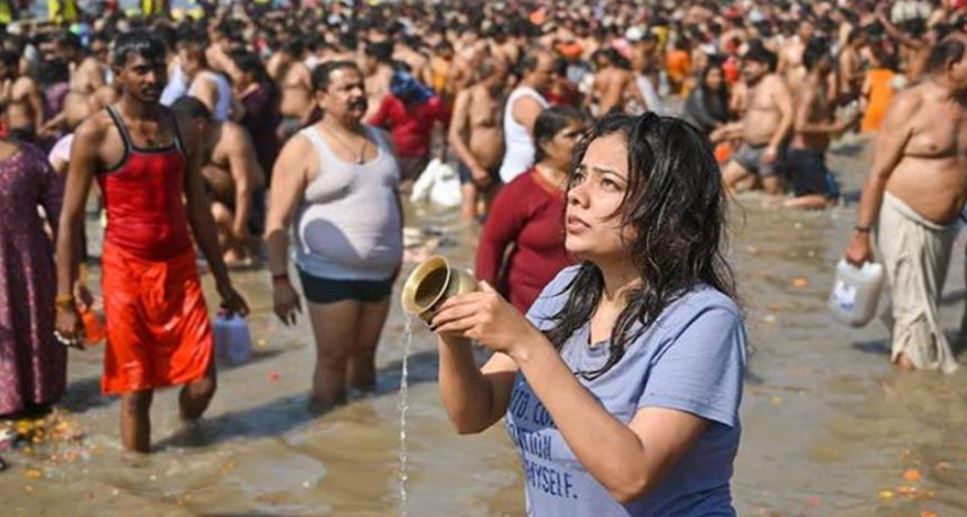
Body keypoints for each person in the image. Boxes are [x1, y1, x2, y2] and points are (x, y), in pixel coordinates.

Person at [432, 113, 746, 515]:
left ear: (667, 210)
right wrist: (452, 334)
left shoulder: (704, 320)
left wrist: (526, 343)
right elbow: (473, 414)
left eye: (608, 183)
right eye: (579, 176)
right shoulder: (566, 290)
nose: (577, 194)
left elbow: (632, 475)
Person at [53, 31, 249, 453]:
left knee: (203, 382)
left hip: (180, 269)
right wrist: (64, 300)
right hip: (125, 272)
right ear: (119, 73)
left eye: (158, 68)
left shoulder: (182, 127)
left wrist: (224, 281)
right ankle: (140, 479)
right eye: (141, 70)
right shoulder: (95, 133)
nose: (152, 78)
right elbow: (69, 220)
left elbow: (198, 209)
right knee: (136, 389)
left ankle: (187, 437)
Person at [266, 60, 402, 411]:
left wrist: (397, 254)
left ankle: (362, 429)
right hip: (329, 272)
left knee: (366, 357)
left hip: (380, 273)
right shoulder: (304, 147)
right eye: (346, 88)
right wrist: (280, 280)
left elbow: (392, 200)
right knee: (333, 359)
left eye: (360, 86)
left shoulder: (383, 140)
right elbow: (277, 219)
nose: (357, 94)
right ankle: (324, 427)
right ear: (321, 97)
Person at [845, 33, 967, 374]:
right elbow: (878, 172)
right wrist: (861, 234)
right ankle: (909, 397)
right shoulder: (911, 103)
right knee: (917, 322)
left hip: (944, 228)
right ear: (952, 65)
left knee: (921, 310)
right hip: (903, 216)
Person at [475, 107, 583, 313]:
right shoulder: (521, 190)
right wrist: (486, 299)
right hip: (528, 308)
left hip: (579, 304)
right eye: (571, 135)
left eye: (584, 132)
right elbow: (491, 244)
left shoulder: (588, 186)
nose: (582, 140)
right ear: (546, 144)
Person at [0, 139, 66, 418]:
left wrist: (71, 283)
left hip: (29, 271)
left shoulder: (30, 160)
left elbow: (63, 221)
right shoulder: (30, 159)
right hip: (30, 269)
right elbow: (63, 221)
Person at [171, 96, 265, 264]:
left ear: (200, 124)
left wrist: (239, 227)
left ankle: (249, 250)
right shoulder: (186, 140)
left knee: (239, 256)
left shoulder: (232, 136)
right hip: (213, 200)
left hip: (245, 202)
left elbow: (244, 186)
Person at [784, 38, 854, 210]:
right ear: (817, 61)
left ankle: (785, 206)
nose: (832, 62)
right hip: (805, 155)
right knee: (831, 200)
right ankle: (780, 206)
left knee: (809, 201)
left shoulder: (819, 84)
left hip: (808, 154)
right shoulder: (811, 88)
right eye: (828, 58)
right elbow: (800, 126)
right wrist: (833, 128)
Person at [722, 46, 794, 195]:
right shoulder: (753, 85)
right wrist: (734, 129)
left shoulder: (775, 83)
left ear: (765, 66)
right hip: (748, 147)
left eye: (749, 65)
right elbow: (754, 117)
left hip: (767, 148)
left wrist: (774, 146)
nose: (744, 69)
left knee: (773, 195)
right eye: (743, 65)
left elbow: (789, 115)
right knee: (722, 184)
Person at [447, 57, 508, 221]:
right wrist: (473, 166)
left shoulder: (503, 97)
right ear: (487, 76)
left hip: (496, 165)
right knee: (469, 213)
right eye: (501, 77)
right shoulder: (468, 96)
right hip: (472, 163)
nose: (505, 81)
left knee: (493, 215)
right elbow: (454, 135)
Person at [368, 68, 450, 183]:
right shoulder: (391, 100)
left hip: (419, 154)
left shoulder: (431, 103)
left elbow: (447, 122)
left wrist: (442, 150)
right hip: (396, 151)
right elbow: (376, 122)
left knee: (414, 186)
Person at [499, 49, 554, 183]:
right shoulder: (527, 101)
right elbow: (543, 140)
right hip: (521, 177)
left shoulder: (535, 97)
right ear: (528, 72)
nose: (553, 77)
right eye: (547, 72)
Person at [0, 50, 44, 143]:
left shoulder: (26, 83)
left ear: (12, 67)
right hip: (6, 131)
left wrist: (39, 128)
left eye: (2, 68)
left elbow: (39, 110)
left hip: (22, 130)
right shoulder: (3, 85)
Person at [683, 62, 731, 141]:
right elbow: (701, 114)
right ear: (705, 78)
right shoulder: (698, 93)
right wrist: (717, 124)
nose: (717, 80)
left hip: (710, 131)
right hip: (693, 132)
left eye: (720, 76)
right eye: (713, 76)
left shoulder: (721, 93)